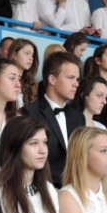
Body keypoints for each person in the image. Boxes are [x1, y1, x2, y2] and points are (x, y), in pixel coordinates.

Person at [21, 51, 84, 187]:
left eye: (77, 79)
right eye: (71, 78)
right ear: (52, 79)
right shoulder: (29, 113)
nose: (76, 84)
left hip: (75, 189)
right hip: (42, 189)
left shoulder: (78, 117)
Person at [8, 38, 38, 106]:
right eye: (27, 53)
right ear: (14, 55)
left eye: (32, 55)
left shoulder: (32, 82)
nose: (31, 58)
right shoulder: (4, 78)